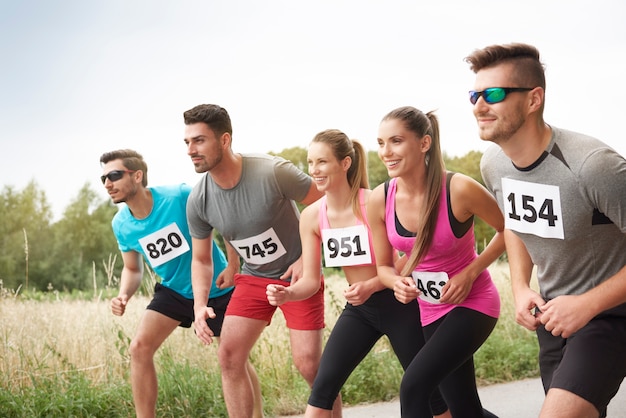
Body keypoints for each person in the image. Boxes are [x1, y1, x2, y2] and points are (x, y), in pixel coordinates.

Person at [465, 42, 626, 418]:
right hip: (555, 316)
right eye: (474, 94)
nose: (478, 105)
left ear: (534, 99)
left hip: (611, 314)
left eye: (493, 94)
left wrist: (587, 304)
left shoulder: (593, 166)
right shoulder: (494, 164)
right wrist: (521, 287)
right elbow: (516, 224)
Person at [266, 129, 450, 418]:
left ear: (345, 163)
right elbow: (312, 281)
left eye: (322, 162)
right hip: (359, 310)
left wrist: (373, 285)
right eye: (310, 162)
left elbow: (406, 258)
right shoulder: (313, 216)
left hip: (398, 304)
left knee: (434, 397)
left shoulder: (373, 202)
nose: (314, 170)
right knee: (322, 390)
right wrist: (288, 293)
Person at [183, 104, 340, 418]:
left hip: (297, 277)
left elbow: (329, 203)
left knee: (309, 365)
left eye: (199, 141)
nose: (191, 150)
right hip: (254, 280)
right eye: (187, 142)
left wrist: (311, 258)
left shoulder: (272, 171)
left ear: (224, 140)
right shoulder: (198, 199)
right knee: (229, 356)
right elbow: (201, 260)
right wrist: (200, 304)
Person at [367, 106, 505, 418]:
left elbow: (509, 228)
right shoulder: (381, 197)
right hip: (431, 311)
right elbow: (385, 269)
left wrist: (471, 272)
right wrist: (397, 284)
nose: (385, 152)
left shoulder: (458, 188)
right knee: (464, 409)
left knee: (414, 387)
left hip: (474, 303)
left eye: (396, 141)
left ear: (424, 143)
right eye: (380, 143)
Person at [100, 149, 259, 418]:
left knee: (233, 358)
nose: (107, 183)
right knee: (139, 348)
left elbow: (226, 221)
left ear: (137, 175)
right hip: (174, 290)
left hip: (218, 288)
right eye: (103, 178)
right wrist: (124, 294)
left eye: (114, 175)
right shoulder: (121, 224)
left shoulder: (179, 195)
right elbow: (131, 268)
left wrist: (234, 266)